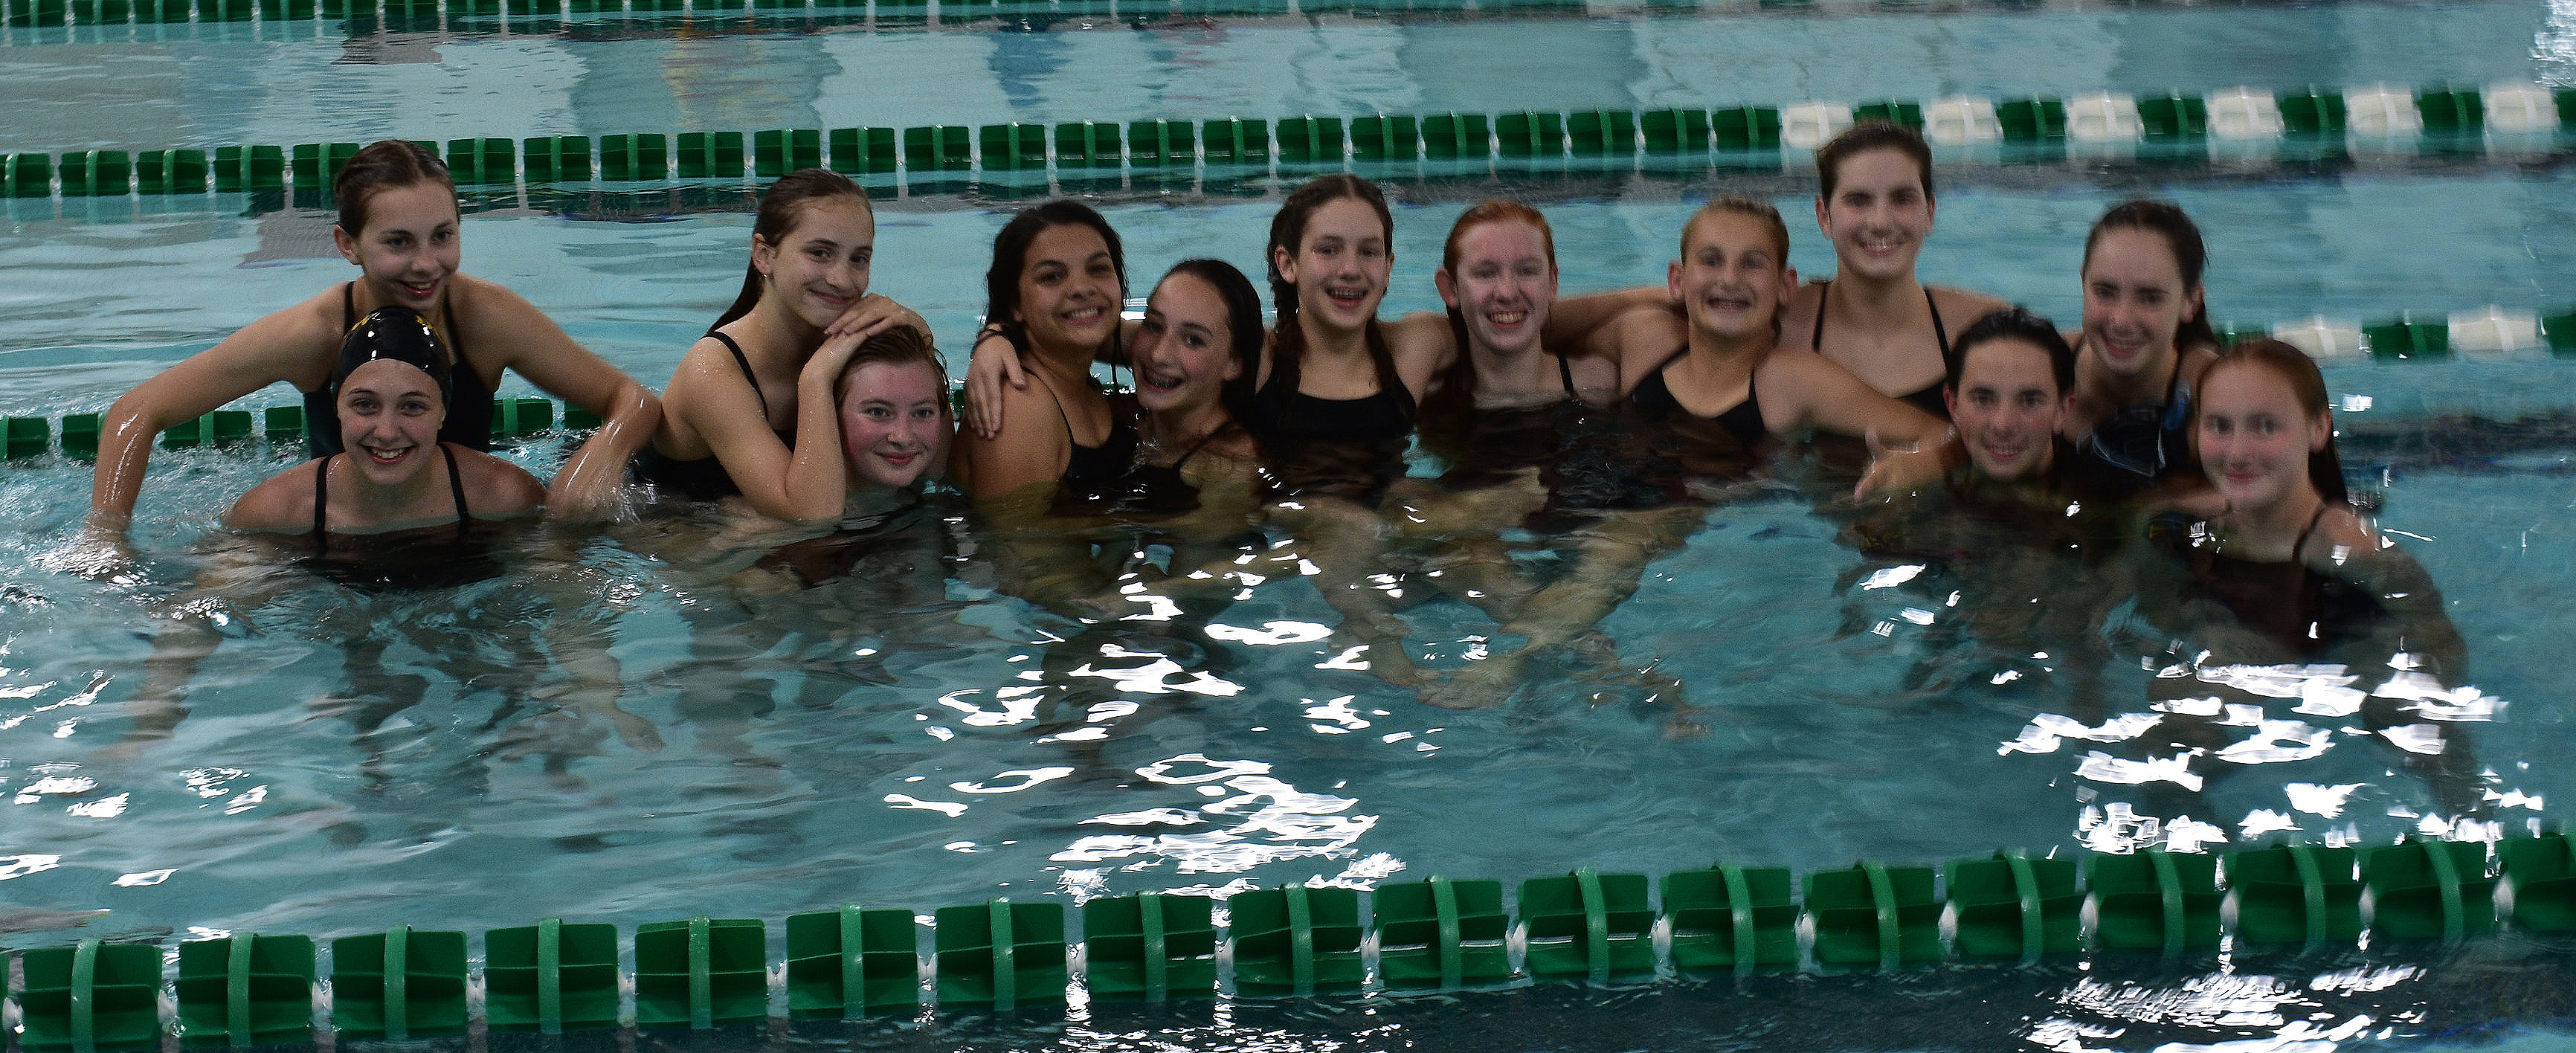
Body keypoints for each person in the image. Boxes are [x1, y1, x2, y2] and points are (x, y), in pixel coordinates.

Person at [88, 139, 658, 537]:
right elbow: (136, 412)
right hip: (338, 537)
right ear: (347, 245)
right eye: (398, 243)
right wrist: (107, 541)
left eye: (443, 237)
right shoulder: (312, 334)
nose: (426, 265)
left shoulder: (486, 317)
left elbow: (633, 401)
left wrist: (596, 463)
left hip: (467, 527)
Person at [644, 168, 929, 521]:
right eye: (820, 253)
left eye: (859, 259)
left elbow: (932, 463)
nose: (841, 280)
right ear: (764, 255)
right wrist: (816, 379)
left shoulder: (852, 336)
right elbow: (811, 515)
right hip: (666, 533)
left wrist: (937, 332)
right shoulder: (714, 372)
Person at [225, 307, 547, 553]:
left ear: (442, 413)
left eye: (412, 406)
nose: (387, 432)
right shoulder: (274, 511)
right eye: (365, 405)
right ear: (337, 408)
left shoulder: (505, 495)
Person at [1783, 121, 2007, 415]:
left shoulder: (1986, 327)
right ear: (1824, 215)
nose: (1881, 222)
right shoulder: (1782, 330)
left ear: (1930, 212)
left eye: (1902, 199)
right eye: (1858, 201)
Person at [953, 200, 1137, 506]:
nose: (1081, 288)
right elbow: (1022, 546)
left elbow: (1185, 349)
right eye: (1052, 276)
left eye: (1098, 269)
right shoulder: (1020, 405)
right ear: (1015, 304)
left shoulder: (1077, 383)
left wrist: (994, 334)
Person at [2065, 199, 2221, 487]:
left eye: (2150, 297)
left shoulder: (2215, 398)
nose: (2122, 321)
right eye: (2105, 292)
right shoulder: (2046, 368)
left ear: (2191, 301)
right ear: (2083, 282)